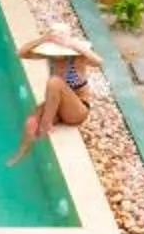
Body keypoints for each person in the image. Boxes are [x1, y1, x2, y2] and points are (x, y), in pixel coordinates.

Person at [8, 33, 95, 163]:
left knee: (55, 82)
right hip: (58, 106)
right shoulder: (50, 58)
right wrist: (42, 39)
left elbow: (99, 62)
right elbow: (20, 53)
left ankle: (46, 123)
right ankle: (22, 152)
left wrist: (72, 43)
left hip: (77, 110)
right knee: (31, 122)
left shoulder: (77, 60)